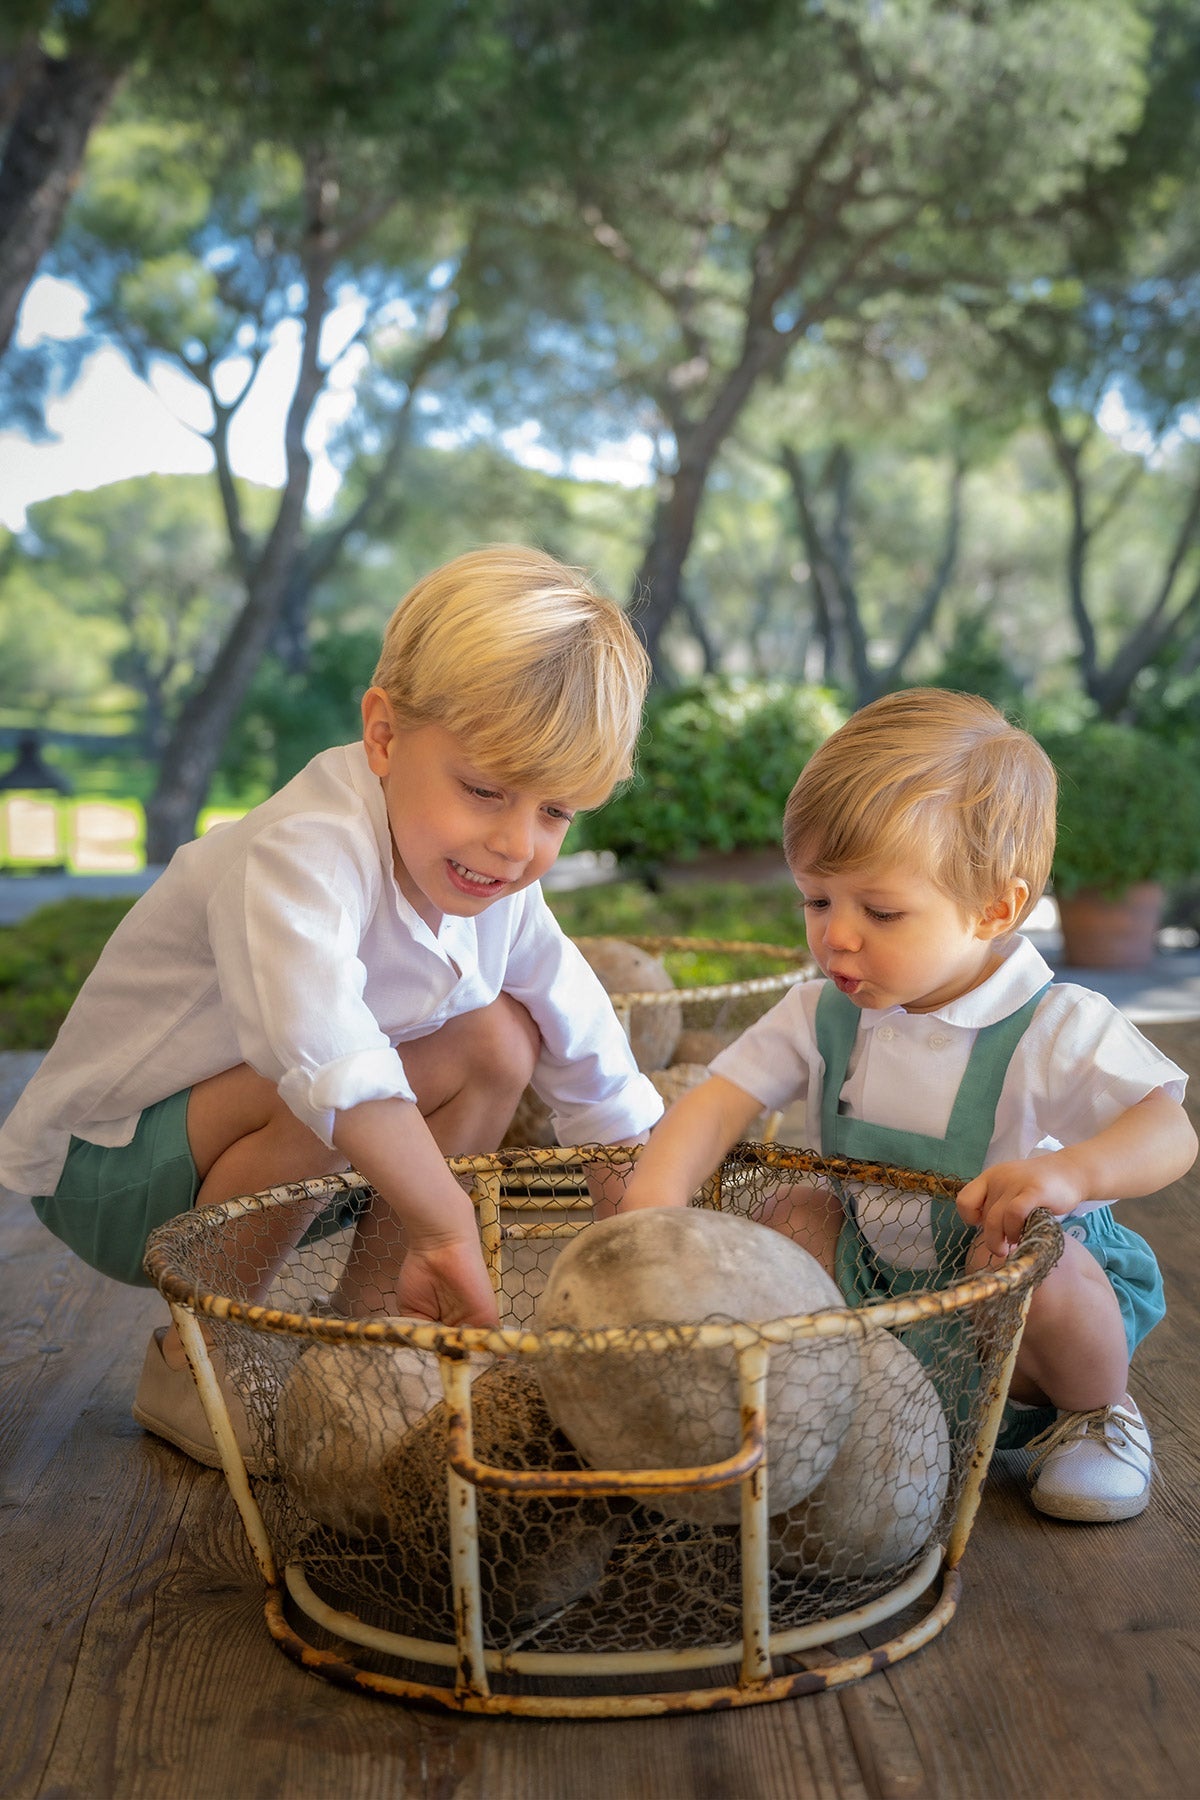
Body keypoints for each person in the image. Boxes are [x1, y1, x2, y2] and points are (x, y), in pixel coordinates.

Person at [0, 544, 663, 1467]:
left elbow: (582, 1034)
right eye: (484, 791)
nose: (516, 843)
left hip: (276, 1154)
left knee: (502, 1040)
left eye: (556, 813)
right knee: (320, 1077)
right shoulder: (301, 850)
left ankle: (371, 1330)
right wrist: (444, 1221)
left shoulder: (494, 883)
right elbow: (324, 1062)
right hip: (109, 1174)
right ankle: (193, 1359)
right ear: (385, 736)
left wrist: (641, 1207)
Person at [620, 689, 1197, 1524]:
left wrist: (1072, 1172)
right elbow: (714, 1104)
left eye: (880, 911)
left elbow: (1168, 1130)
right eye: (818, 901)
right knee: (795, 1211)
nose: (837, 937)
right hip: (872, 1294)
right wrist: (647, 1215)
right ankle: (821, 1402)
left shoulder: (1052, 1024)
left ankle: (1095, 1417)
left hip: (1016, 1324)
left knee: (1030, 1260)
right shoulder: (821, 1012)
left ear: (997, 907)